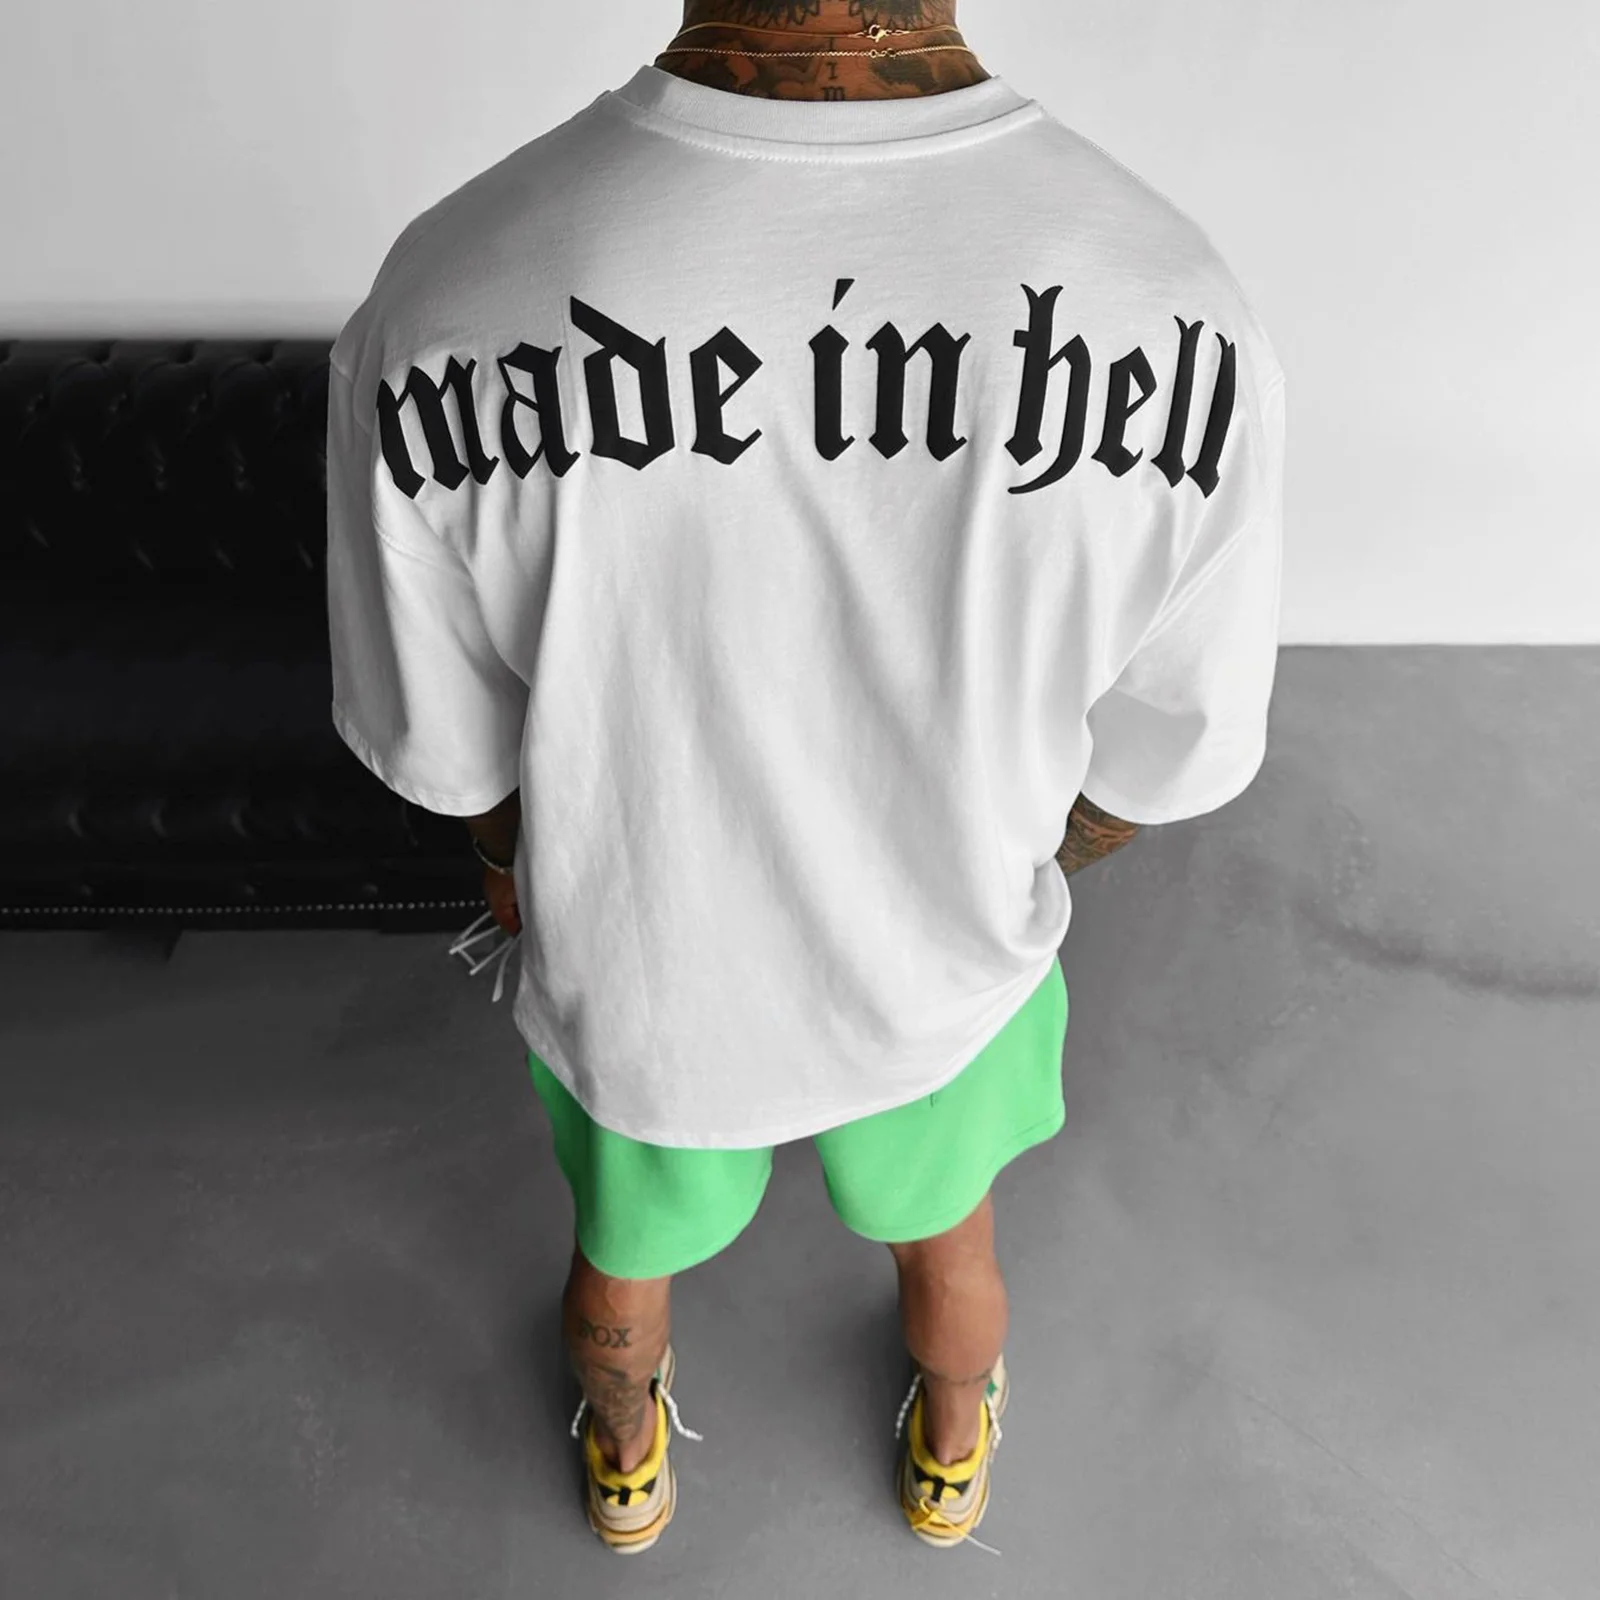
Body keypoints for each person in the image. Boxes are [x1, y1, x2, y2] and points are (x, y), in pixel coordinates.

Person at [325, 0, 1286, 1558]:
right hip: (945, 965)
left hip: (643, 972)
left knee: (621, 1265)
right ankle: (953, 1440)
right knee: (950, 1251)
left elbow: (453, 760)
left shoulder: (447, 286)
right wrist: (1016, 859)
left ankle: (625, 1456)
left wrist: (521, 872)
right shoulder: (1177, 307)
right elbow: (1169, 759)